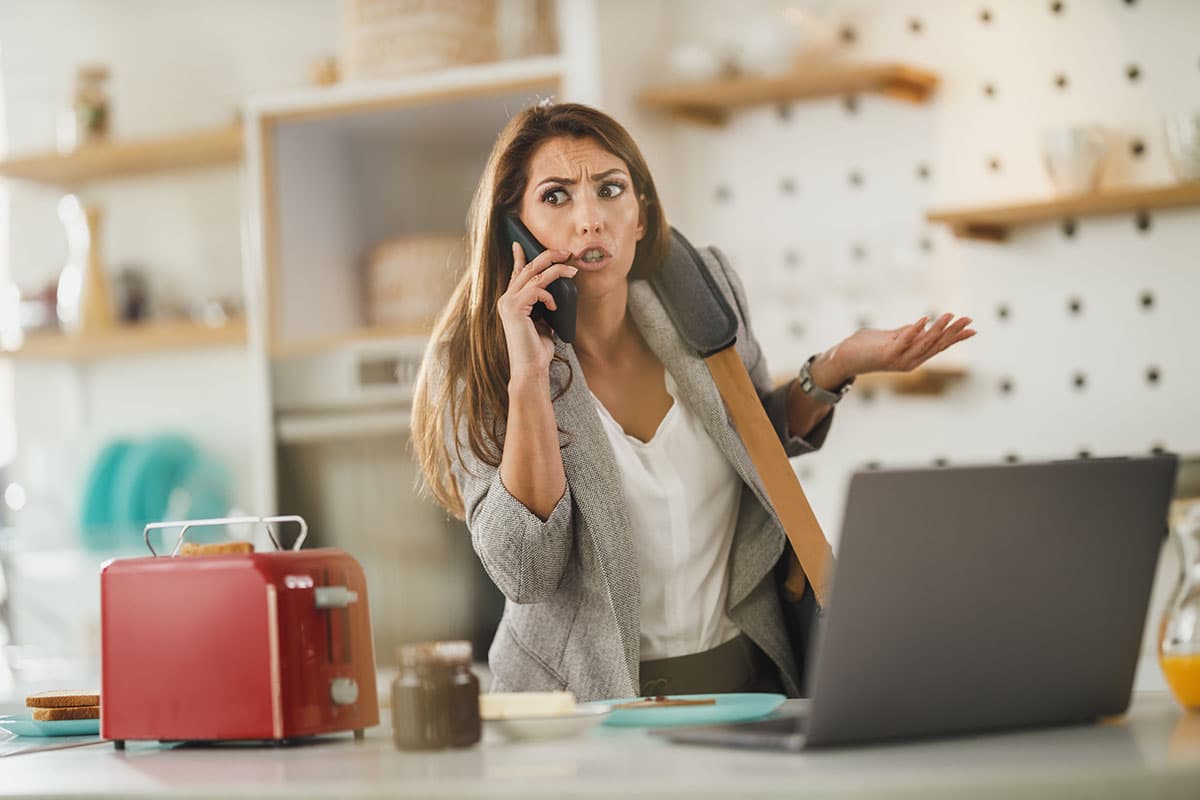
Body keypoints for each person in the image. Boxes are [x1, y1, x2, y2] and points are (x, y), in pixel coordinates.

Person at [411, 102, 974, 702]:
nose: (589, 219)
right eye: (555, 197)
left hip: (745, 688)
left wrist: (837, 365)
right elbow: (525, 569)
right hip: (581, 711)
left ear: (641, 215)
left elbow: (750, 442)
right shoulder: (475, 362)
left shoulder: (698, 292)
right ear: (512, 228)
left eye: (610, 189)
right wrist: (528, 375)